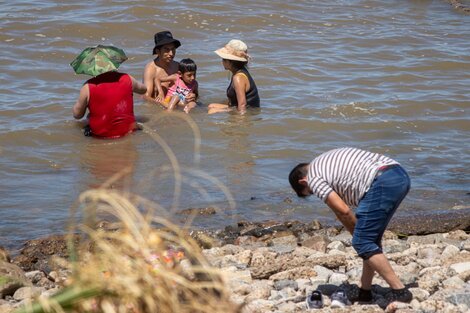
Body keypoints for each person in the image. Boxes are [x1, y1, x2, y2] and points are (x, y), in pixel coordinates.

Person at [289, 147, 413, 304]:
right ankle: (365, 291)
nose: (315, 193)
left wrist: (358, 236)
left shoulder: (313, 178)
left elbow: (343, 211)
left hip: (381, 182)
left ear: (303, 181)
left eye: (311, 192)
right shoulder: (323, 161)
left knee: (363, 241)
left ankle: (400, 291)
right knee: (370, 242)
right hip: (399, 175)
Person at [73, 71, 146, 139]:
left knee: (85, 120)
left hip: (101, 136)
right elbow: (144, 90)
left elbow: (77, 115)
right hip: (128, 131)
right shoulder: (127, 78)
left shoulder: (87, 87)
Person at [143, 31, 196, 106]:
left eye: (173, 49)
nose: (171, 53)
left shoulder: (178, 66)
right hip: (158, 107)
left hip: (176, 105)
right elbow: (145, 96)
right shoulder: (151, 69)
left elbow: (189, 86)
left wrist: (193, 96)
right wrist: (162, 104)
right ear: (158, 51)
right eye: (166, 50)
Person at [208, 39, 260, 115]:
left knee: (211, 111)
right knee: (211, 106)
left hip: (249, 111)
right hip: (243, 107)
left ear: (230, 62)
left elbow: (242, 105)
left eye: (224, 59)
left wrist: (239, 123)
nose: (222, 62)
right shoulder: (240, 72)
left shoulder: (238, 78)